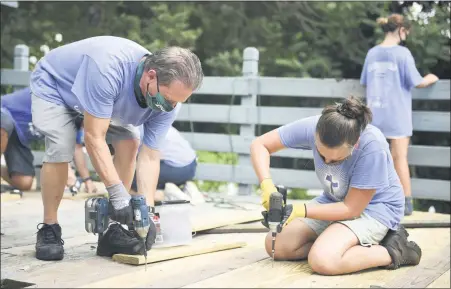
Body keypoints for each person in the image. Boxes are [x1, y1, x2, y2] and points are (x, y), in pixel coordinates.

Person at [29, 36, 203, 261]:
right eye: (168, 99)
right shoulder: (109, 68)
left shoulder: (168, 104)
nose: (170, 108)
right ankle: (49, 228)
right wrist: (119, 195)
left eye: (178, 102)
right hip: (56, 87)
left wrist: (146, 212)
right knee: (61, 146)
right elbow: (94, 138)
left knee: (130, 142)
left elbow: (149, 156)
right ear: (151, 75)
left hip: (102, 98)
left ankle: (111, 229)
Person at [251, 96, 422, 276]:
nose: (327, 162)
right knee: (277, 245)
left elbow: (351, 209)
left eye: (337, 159)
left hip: (375, 209)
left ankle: (395, 250)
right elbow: (260, 144)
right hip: (333, 201)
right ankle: (339, 243)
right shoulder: (316, 126)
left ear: (355, 144)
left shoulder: (373, 145)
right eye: (322, 155)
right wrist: (266, 184)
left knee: (324, 261)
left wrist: (301, 210)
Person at [360, 13, 439, 216]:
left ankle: (372, 201)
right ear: (401, 30)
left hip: (375, 116)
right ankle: (406, 204)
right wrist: (430, 78)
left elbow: (365, 83)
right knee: (400, 158)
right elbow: (417, 82)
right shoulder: (403, 54)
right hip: (397, 115)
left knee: (374, 158)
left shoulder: (372, 53)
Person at [1, 87, 95, 193]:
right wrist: (67, 174)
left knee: (24, 182)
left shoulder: (75, 122)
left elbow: (76, 149)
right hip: (3, 114)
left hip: (18, 136)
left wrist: (88, 181)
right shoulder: (59, 102)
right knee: (4, 125)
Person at [130, 125, 202, 203]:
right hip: (190, 166)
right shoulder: (149, 119)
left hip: (175, 168)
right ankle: (182, 191)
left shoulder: (132, 130)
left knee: (126, 179)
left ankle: (163, 196)